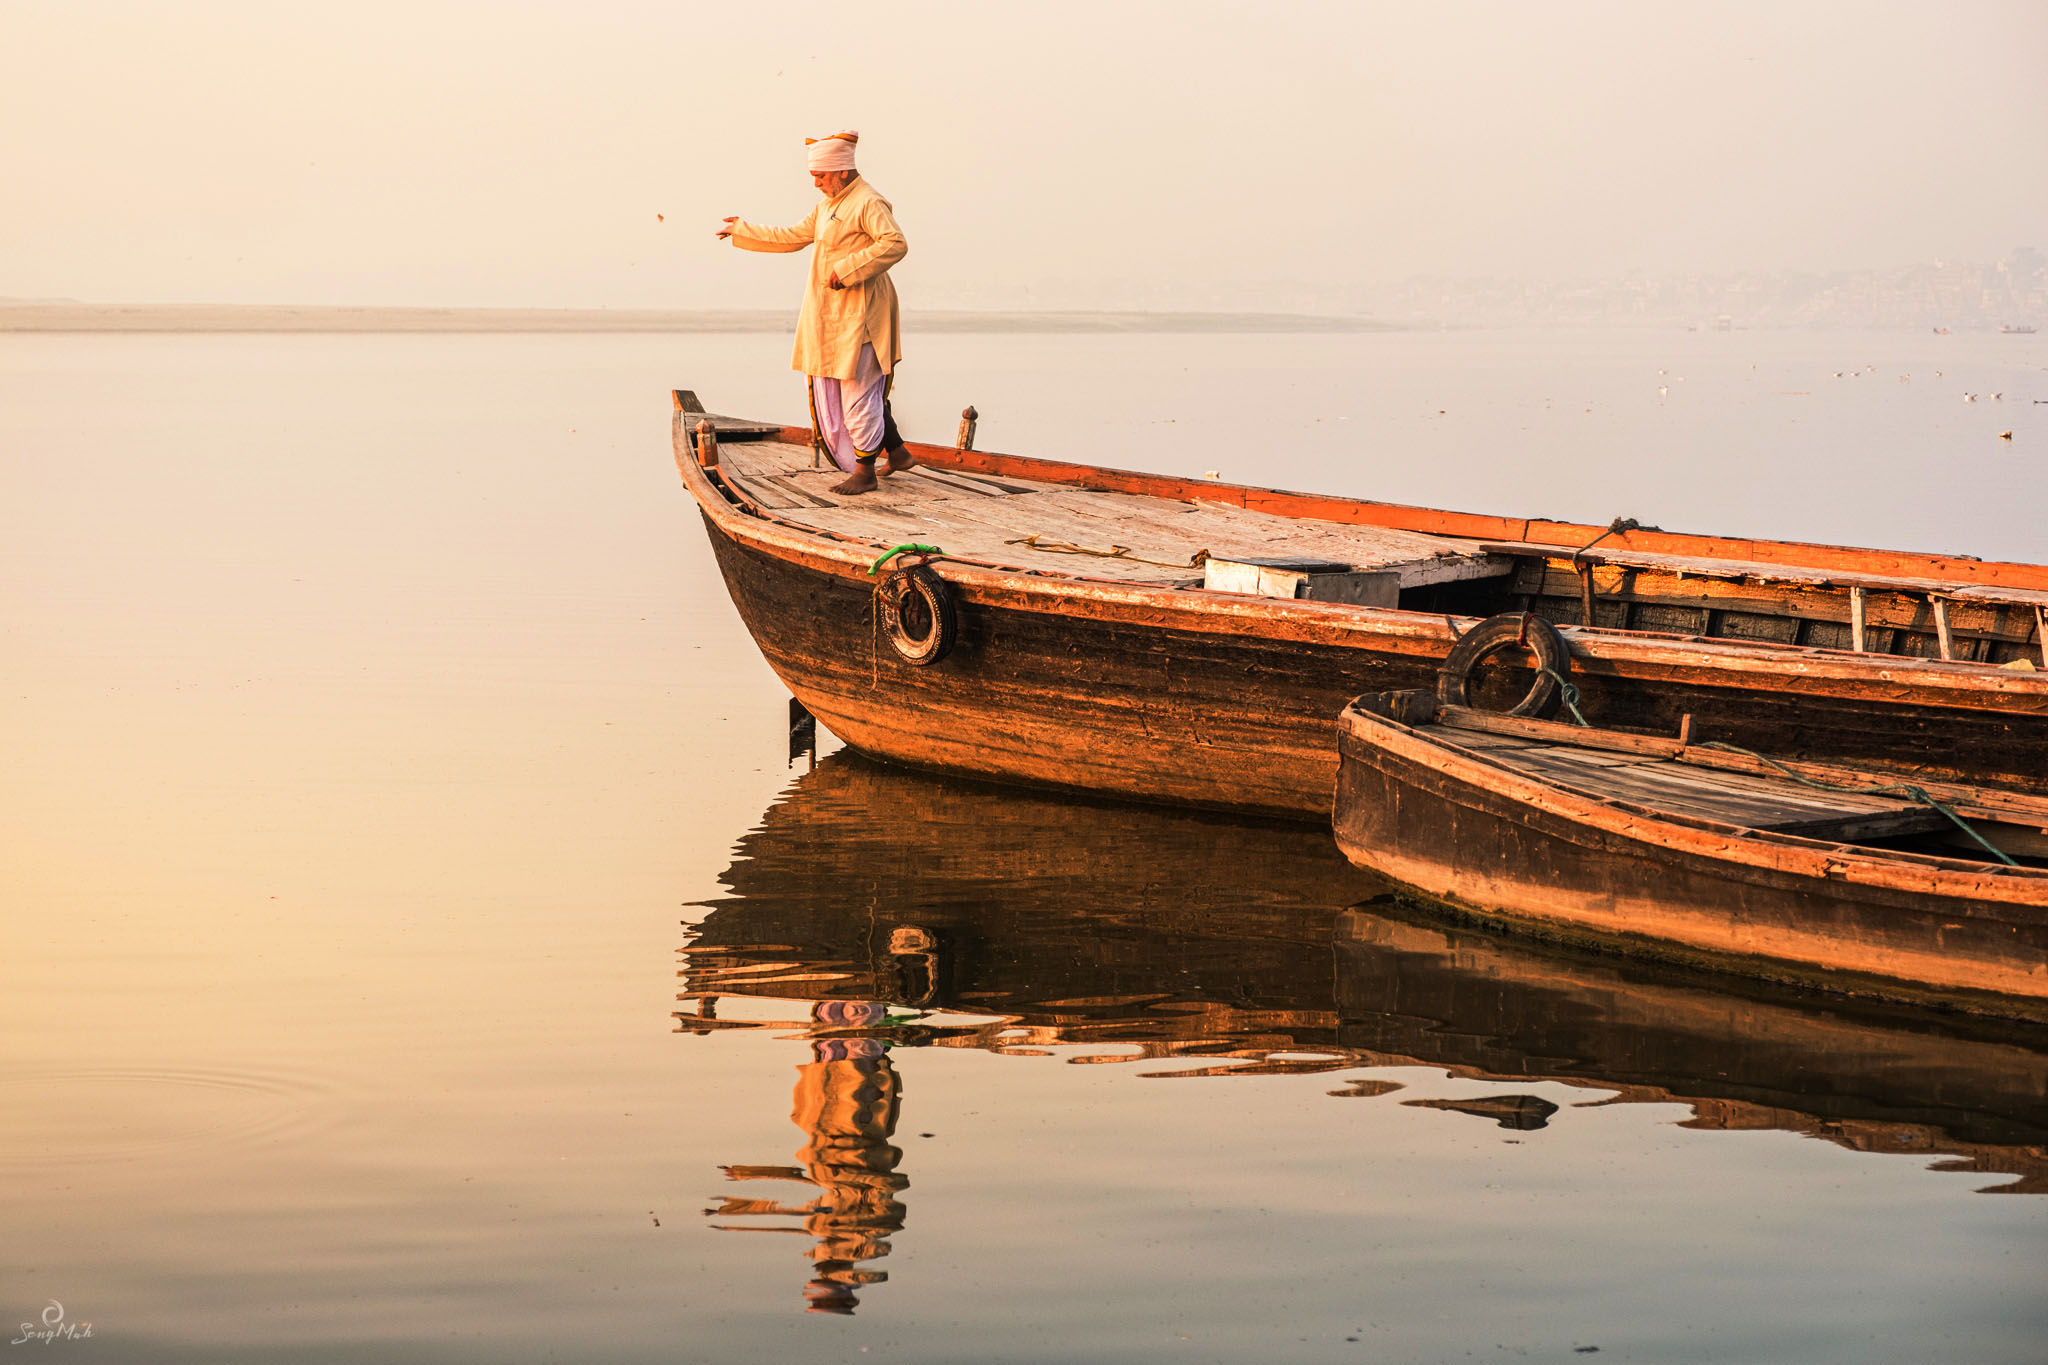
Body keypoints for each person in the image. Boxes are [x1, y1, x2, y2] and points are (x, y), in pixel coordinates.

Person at [717, 131, 912, 496]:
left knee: (858, 392)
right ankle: (897, 452)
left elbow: (895, 243)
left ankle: (865, 472)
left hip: (863, 315)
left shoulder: (868, 202)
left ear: (840, 170)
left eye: (820, 176)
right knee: (861, 387)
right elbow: (792, 236)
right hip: (836, 315)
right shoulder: (829, 206)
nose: (816, 183)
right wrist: (742, 229)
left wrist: (849, 268)